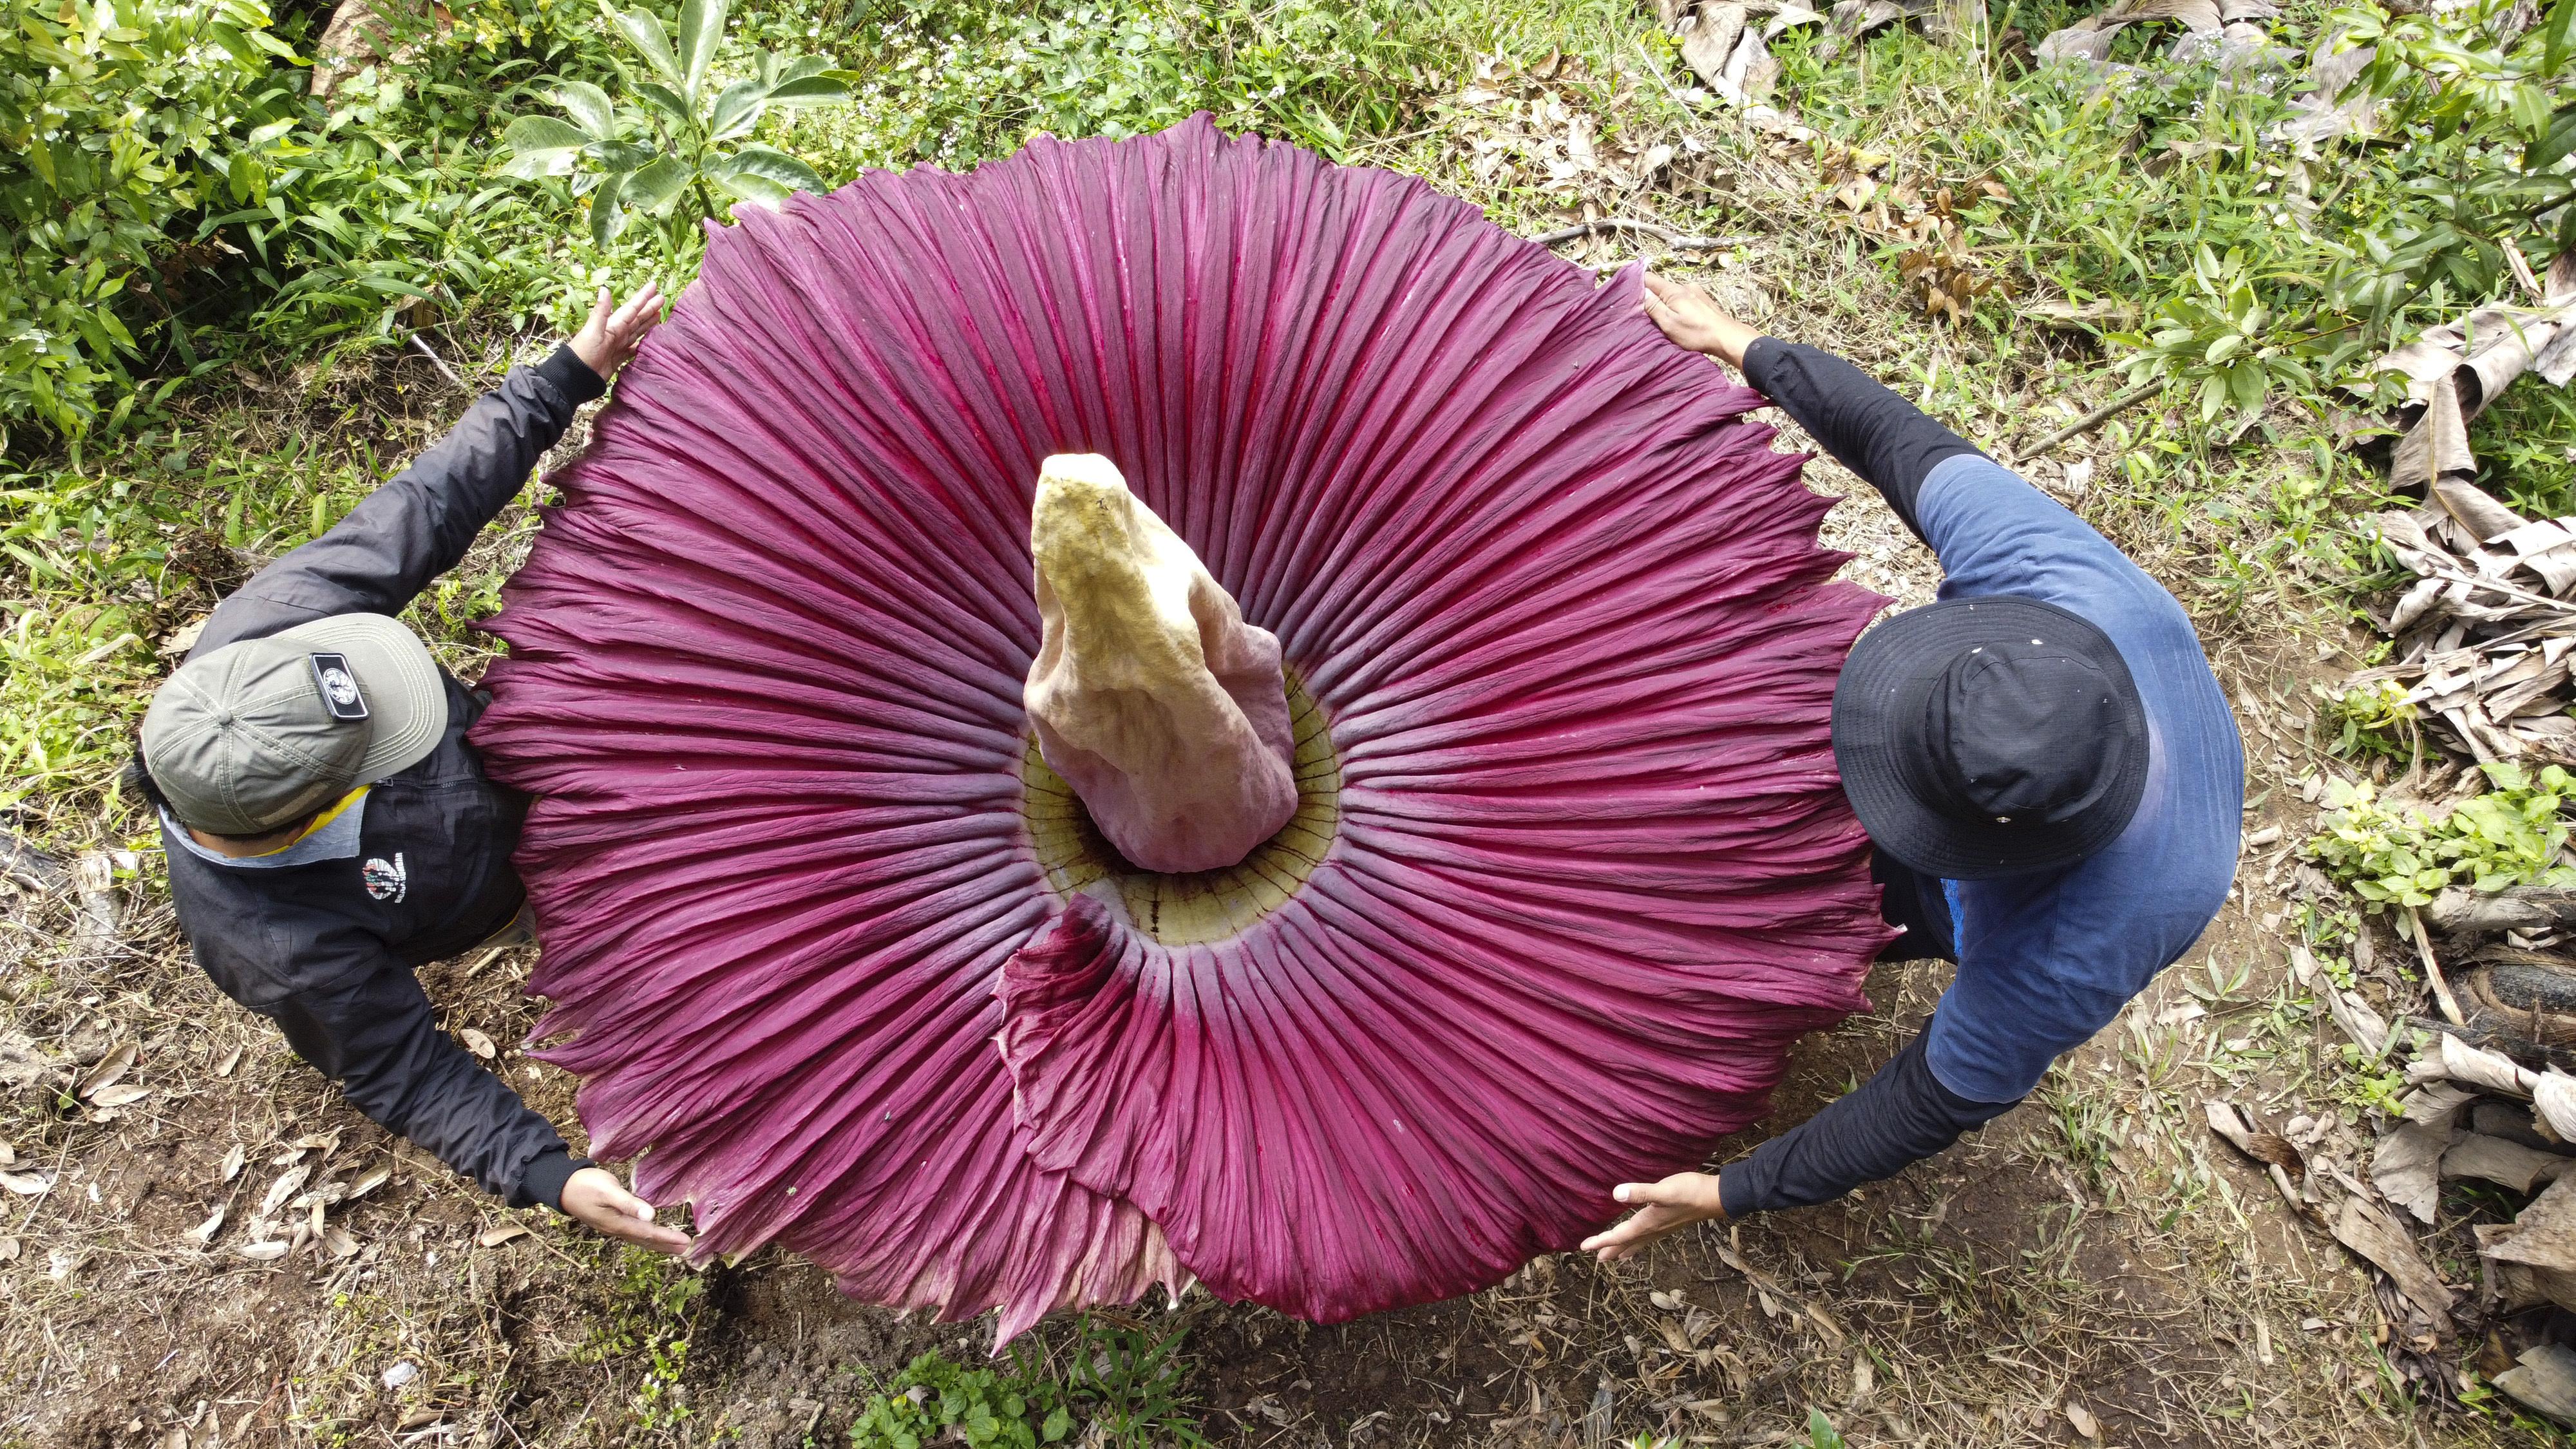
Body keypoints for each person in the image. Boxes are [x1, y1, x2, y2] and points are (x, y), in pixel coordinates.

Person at [1583, 274, 2244, 1258]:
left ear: (1989, 852)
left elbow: (1931, 1096)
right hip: (2097, 745)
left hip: (2065, 878)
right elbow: (1903, 443)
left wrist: (1734, 1189)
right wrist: (1748, 346)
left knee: (1855, 908)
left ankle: (1866, 920)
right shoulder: (2061, 584)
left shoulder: (2068, 947)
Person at [126, 284, 691, 1254]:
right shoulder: (272, 940)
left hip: (540, 746)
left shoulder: (260, 640)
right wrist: (546, 1172)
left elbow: (421, 509)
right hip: (506, 889)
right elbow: (402, 1069)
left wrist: (564, 377)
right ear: (303, 816)